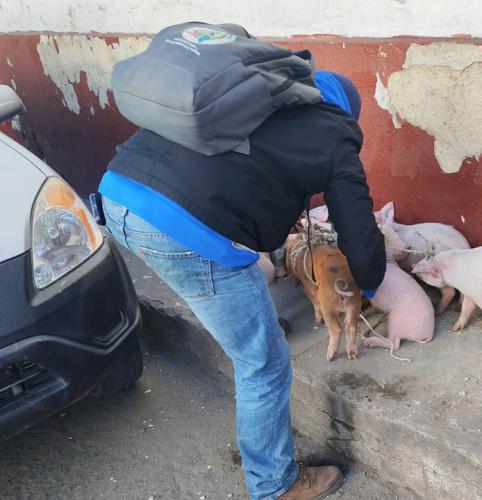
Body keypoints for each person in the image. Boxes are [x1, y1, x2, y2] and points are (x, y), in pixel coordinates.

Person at [98, 64, 386, 498]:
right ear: (347, 113)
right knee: (263, 362)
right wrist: (371, 287)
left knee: (240, 305)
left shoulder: (260, 92)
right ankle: (275, 485)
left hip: (118, 191)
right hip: (175, 222)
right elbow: (360, 237)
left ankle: (247, 323)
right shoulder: (334, 133)